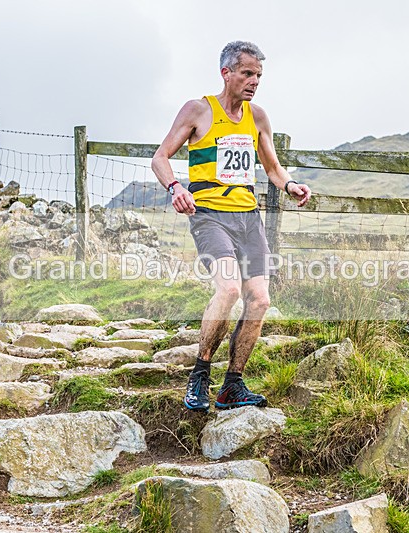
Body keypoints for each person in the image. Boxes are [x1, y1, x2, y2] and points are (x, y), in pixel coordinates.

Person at [151, 41, 311, 412]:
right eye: (247, 73)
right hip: (210, 216)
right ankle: (200, 375)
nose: (254, 81)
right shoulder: (198, 110)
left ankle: (232, 386)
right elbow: (160, 158)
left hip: (248, 218)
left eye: (259, 75)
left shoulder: (258, 118)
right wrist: (175, 187)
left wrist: (289, 184)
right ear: (226, 73)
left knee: (260, 299)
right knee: (228, 291)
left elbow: (272, 168)